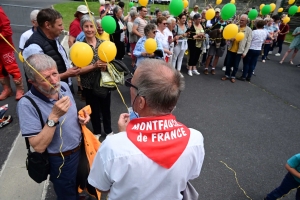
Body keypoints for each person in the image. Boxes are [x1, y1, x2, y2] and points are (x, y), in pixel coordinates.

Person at [88, 59, 205, 200]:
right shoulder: (195, 139)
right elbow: (191, 174)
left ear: (141, 102)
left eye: (131, 84)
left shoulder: (113, 147)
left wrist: (125, 137)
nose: (129, 87)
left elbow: (101, 186)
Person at [17, 54, 90, 199]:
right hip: (61, 159)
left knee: (81, 181)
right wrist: (54, 117)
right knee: (66, 192)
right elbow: (38, 146)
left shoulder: (63, 86)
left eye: (55, 74)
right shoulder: (26, 104)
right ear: (32, 82)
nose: (54, 81)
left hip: (81, 149)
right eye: (45, 78)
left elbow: (71, 116)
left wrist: (80, 119)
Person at [23, 8, 80, 92]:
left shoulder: (54, 37)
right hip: (49, 93)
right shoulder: (34, 46)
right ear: (48, 25)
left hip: (61, 87)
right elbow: (40, 78)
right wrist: (66, 74)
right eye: (59, 25)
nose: (62, 28)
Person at [79, 15, 113, 138]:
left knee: (106, 108)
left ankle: (109, 131)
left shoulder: (104, 44)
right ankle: (97, 131)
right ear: (82, 28)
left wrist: (106, 66)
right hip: (89, 85)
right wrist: (94, 66)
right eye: (86, 26)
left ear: (96, 27)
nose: (89, 29)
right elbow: (77, 70)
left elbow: (112, 64)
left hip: (104, 83)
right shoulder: (79, 47)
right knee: (93, 110)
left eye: (91, 26)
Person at [0, 6, 24, 100]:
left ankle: (20, 89)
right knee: (0, 69)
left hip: (5, 47)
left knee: (11, 68)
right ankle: (7, 89)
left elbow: (7, 30)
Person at [221, 14, 252, 83]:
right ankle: (226, 75)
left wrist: (245, 52)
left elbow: (248, 42)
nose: (241, 21)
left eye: (243, 20)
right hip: (231, 49)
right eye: (240, 20)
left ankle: (233, 76)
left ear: (246, 21)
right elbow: (228, 37)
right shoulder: (235, 27)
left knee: (236, 65)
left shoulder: (248, 30)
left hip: (239, 51)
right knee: (228, 63)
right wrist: (230, 39)